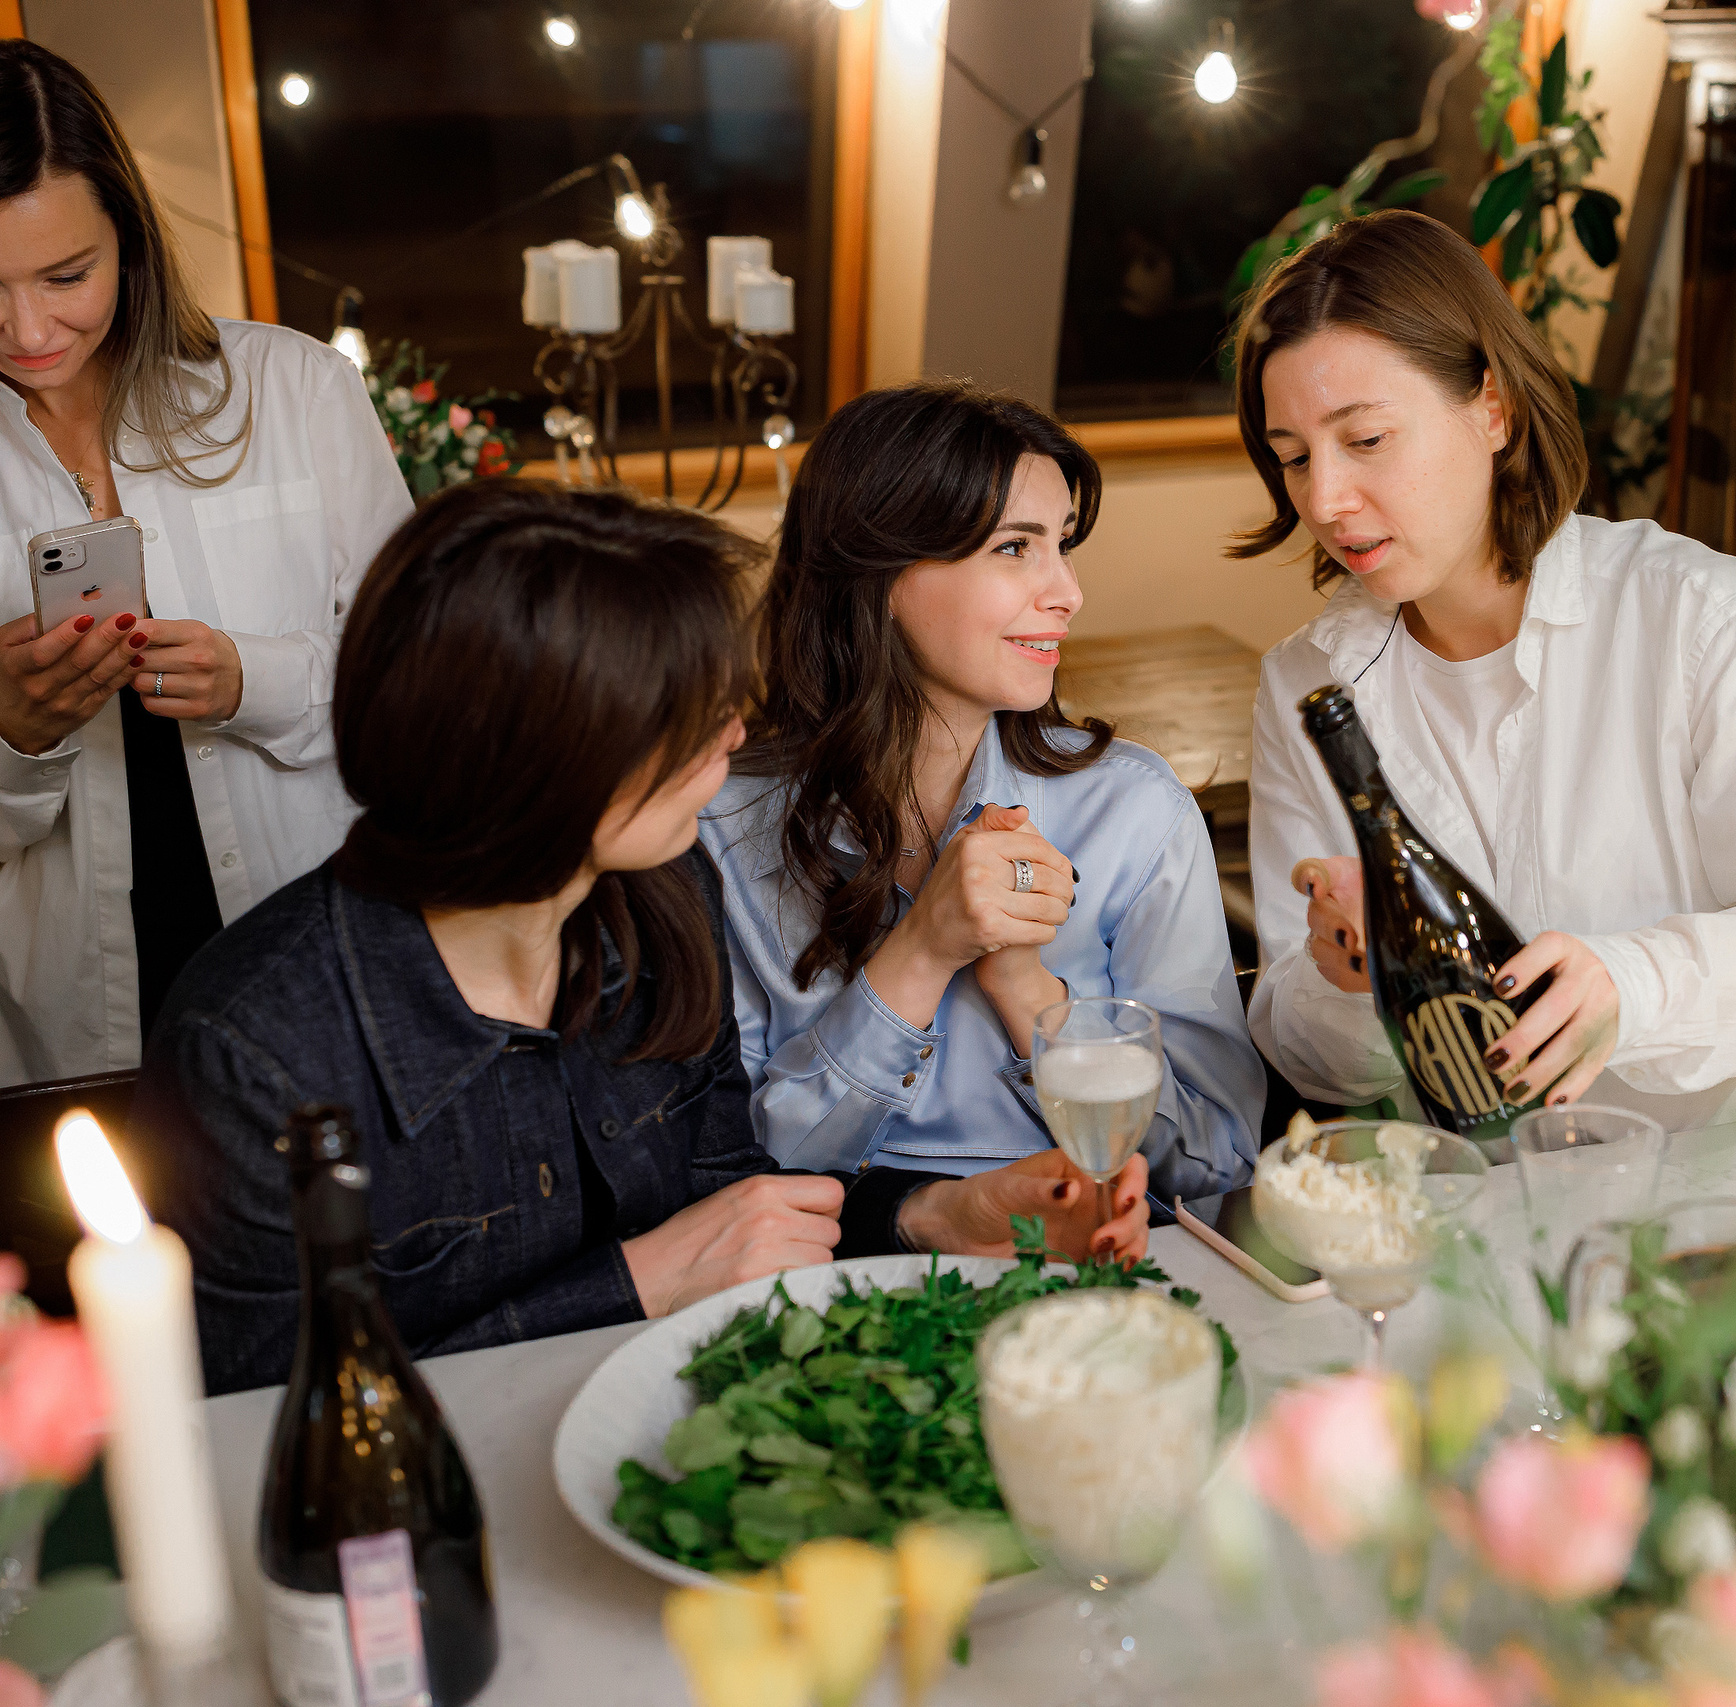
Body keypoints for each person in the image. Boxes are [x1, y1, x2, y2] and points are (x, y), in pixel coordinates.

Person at [135, 483, 1148, 1396]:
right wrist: (632, 1284)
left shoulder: (659, 898)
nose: (734, 735)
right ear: (548, 751)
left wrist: (942, 1217)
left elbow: (735, 1207)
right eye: (694, 712)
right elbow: (256, 1414)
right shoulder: (255, 1041)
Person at [1235, 211, 1736, 1132]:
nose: (1325, 498)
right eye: (1292, 458)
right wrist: (1355, 984)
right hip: (1480, 1228)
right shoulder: (1306, 684)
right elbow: (1297, 1040)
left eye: (1365, 440)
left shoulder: (1701, 621)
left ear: (1493, 409)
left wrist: (1632, 986)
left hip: (1732, 1210)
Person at [699, 381, 1262, 1213]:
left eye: (1063, 546)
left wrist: (1029, 993)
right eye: (1014, 548)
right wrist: (922, 951)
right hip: (842, 1284)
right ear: (883, 572)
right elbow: (731, 1175)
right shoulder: (719, 823)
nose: (1067, 591)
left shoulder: (1136, 813)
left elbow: (1215, 1156)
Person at [0, 40, 413, 1084]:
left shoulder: (294, 390)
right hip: (62, 1029)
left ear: (131, 241)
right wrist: (14, 738)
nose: (29, 328)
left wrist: (252, 678)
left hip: (320, 984)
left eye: (66, 275)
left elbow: (430, 696)